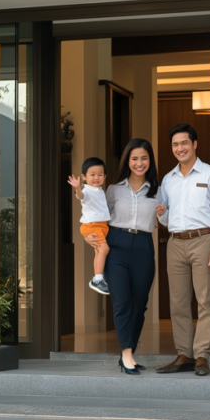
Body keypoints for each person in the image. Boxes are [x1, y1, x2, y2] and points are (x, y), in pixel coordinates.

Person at [155, 123, 210, 377]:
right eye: (175, 144)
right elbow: (165, 219)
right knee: (177, 302)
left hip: (204, 241)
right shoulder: (168, 179)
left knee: (204, 301)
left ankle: (201, 356)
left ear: (194, 144)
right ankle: (183, 354)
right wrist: (162, 216)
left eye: (184, 143)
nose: (180, 148)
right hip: (175, 243)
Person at [96, 139, 161, 375]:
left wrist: (162, 215)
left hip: (144, 245)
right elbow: (98, 214)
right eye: (134, 158)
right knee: (122, 301)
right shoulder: (114, 189)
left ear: (150, 161)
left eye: (144, 158)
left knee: (139, 304)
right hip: (117, 244)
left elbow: (165, 221)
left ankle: (129, 351)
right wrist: (91, 236)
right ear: (127, 161)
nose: (139, 163)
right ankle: (126, 354)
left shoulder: (157, 190)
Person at [67, 157, 111, 295]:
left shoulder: (100, 190)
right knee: (104, 249)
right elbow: (80, 196)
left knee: (99, 251)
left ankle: (98, 278)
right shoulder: (87, 190)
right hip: (93, 225)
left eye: (100, 174)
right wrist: (77, 187)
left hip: (101, 225)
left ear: (104, 177)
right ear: (84, 177)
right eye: (92, 175)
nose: (96, 178)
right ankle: (97, 279)